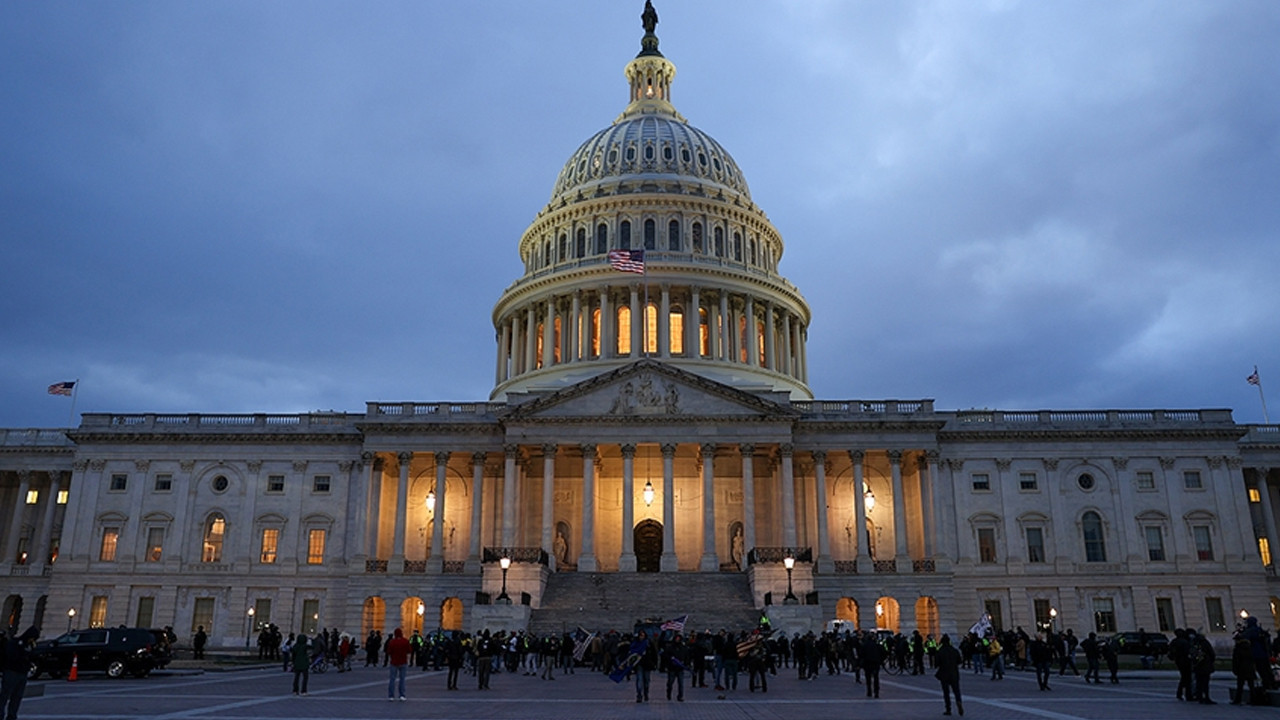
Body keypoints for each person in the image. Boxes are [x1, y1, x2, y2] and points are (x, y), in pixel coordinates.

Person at [1, 627, 39, 720]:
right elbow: (12, 657)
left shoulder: (29, 646)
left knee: (17, 697)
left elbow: (32, 657)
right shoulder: (16, 644)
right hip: (12, 672)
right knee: (5, 695)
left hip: (22, 673)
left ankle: (12, 716)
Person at [935, 634, 964, 716]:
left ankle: (948, 709)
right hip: (954, 673)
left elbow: (936, 664)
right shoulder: (954, 650)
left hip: (944, 674)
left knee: (946, 693)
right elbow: (959, 661)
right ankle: (959, 702)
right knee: (957, 691)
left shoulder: (940, 651)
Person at [385, 628, 412, 701]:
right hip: (403, 661)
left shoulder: (392, 642)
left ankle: (391, 696)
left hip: (394, 662)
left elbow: (389, 651)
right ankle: (402, 695)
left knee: (392, 679)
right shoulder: (405, 641)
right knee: (402, 679)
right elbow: (409, 651)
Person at [1232, 634, 1257, 704]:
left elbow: (1236, 660)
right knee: (1251, 686)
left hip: (1241, 669)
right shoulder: (1250, 647)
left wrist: (1235, 669)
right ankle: (1253, 700)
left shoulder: (1238, 648)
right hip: (1250, 669)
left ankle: (1238, 700)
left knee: (1240, 686)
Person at [663, 633, 689, 701]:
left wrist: (686, 663)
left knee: (681, 683)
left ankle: (680, 696)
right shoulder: (670, 647)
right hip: (672, 668)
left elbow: (686, 656)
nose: (677, 640)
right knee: (670, 683)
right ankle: (669, 693)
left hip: (680, 668)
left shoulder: (683, 648)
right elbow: (666, 656)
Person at [861, 631, 883, 698]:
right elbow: (883, 652)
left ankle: (869, 691)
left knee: (868, 678)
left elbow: (861, 655)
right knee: (876, 678)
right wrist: (880, 660)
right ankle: (876, 692)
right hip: (875, 663)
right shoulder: (877, 645)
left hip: (867, 663)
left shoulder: (864, 645)